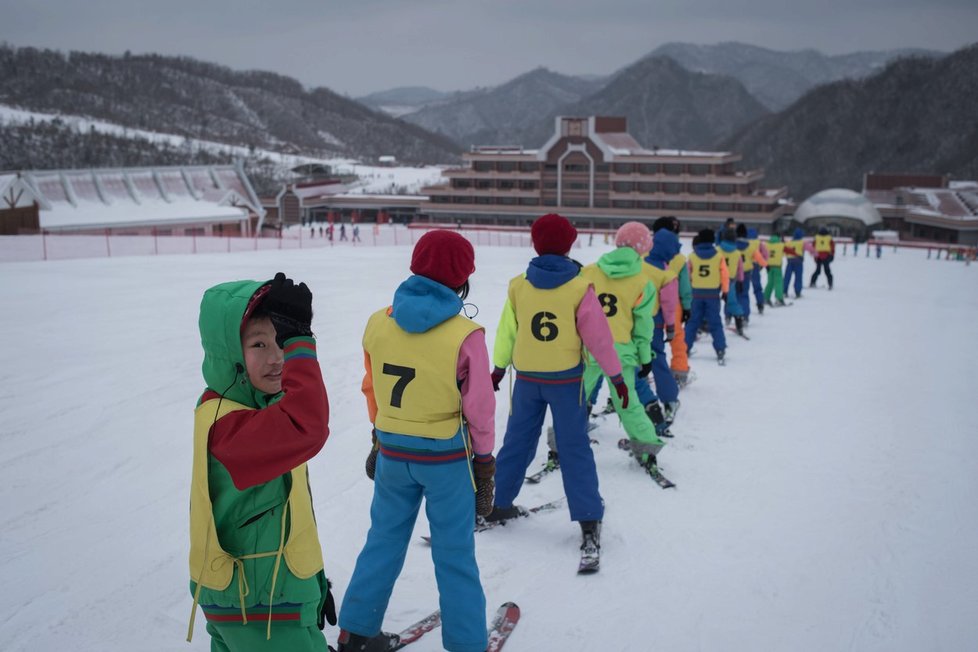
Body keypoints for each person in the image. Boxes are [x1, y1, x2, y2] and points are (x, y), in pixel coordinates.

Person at [338, 230, 495, 652]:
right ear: (463, 278)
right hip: (446, 460)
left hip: (393, 452)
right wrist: (485, 461)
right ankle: (466, 644)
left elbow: (371, 389)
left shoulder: (378, 322)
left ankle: (355, 631)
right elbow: (479, 407)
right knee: (454, 555)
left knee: (383, 540)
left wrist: (378, 436)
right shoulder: (466, 334)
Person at [188, 273, 334, 650]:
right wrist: (301, 340)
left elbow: (285, 510)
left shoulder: (259, 411)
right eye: (258, 344)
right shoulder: (228, 426)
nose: (277, 358)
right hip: (260, 608)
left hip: (268, 598)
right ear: (230, 353)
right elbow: (308, 426)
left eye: (280, 342)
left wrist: (313, 585)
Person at [488, 213, 625, 555]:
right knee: (574, 446)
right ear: (569, 245)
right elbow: (599, 338)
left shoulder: (519, 285)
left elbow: (508, 330)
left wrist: (500, 366)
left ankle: (497, 503)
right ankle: (589, 518)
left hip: (527, 380)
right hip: (566, 381)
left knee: (516, 443)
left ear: (535, 244)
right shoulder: (580, 286)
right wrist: (616, 376)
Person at [581, 222, 667, 465]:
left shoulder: (588, 272)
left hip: (589, 350)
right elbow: (643, 328)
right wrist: (646, 358)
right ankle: (647, 447)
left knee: (576, 400)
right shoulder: (643, 282)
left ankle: (561, 444)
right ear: (643, 248)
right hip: (621, 354)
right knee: (627, 402)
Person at [642, 224, 682, 428]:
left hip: (631, 322)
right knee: (657, 359)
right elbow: (668, 305)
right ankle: (669, 398)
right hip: (654, 324)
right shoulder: (667, 275)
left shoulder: (637, 264)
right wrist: (671, 326)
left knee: (633, 363)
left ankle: (639, 399)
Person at [652, 217, 693, 388]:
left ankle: (641, 370)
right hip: (673, 304)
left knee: (647, 339)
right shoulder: (680, 258)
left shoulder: (646, 253)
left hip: (650, 304)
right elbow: (684, 286)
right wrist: (687, 306)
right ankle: (679, 371)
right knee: (677, 337)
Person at [685, 229, 730, 364]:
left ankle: (685, 347)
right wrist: (725, 291)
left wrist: (686, 294)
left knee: (692, 322)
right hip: (713, 295)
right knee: (715, 322)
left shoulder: (692, 256)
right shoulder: (719, 256)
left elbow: (687, 276)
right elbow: (725, 275)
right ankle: (720, 348)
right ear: (712, 240)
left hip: (696, 294)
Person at [718, 227, 746, 335]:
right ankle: (739, 320)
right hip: (730, 281)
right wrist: (741, 281)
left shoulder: (717, 250)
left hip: (716, 280)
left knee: (712, 302)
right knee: (732, 302)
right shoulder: (737, 253)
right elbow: (740, 269)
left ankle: (705, 323)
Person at [744, 227, 769, 315]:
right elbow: (765, 254)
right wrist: (764, 264)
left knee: (743, 288)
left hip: (746, 266)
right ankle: (760, 304)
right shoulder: (759, 243)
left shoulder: (745, 243)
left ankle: (743, 306)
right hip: (756, 265)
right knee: (757, 286)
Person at [763, 233, 787, 306]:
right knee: (778, 283)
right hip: (777, 267)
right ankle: (779, 299)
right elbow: (787, 251)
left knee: (770, 282)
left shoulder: (766, 245)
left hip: (769, 266)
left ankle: (765, 298)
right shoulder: (780, 245)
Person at [783, 227, 806, 299]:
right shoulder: (802, 242)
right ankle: (797, 292)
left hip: (790, 261)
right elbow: (808, 248)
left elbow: (785, 250)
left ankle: (784, 291)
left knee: (787, 277)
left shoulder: (789, 243)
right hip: (798, 261)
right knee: (798, 277)